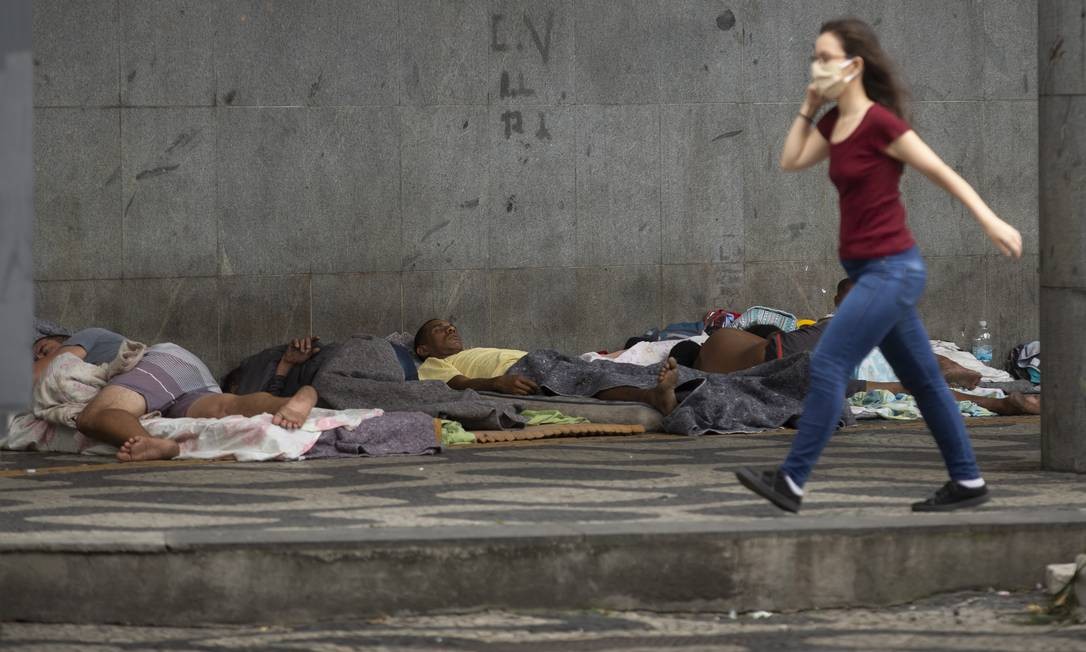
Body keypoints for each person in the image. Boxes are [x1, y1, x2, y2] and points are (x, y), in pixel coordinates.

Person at [734, 18, 1023, 514]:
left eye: (825, 58)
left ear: (854, 66)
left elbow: (939, 170)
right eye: (815, 57)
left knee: (826, 363)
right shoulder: (833, 124)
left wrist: (990, 220)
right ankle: (968, 481)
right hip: (872, 274)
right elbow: (790, 159)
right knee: (927, 382)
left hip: (893, 270)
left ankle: (792, 481)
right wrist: (808, 105)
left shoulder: (880, 124)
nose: (817, 66)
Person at [32, 326, 320, 462]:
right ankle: (292, 400)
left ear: (60, 337)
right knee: (224, 408)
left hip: (162, 362)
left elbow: (40, 374)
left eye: (43, 347)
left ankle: (151, 443)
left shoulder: (87, 336)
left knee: (93, 416)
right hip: (182, 375)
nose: (40, 355)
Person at [413, 319, 681, 415]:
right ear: (423, 349)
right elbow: (455, 384)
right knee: (587, 383)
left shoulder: (470, 352)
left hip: (539, 359)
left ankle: (684, 388)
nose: (450, 328)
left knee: (601, 370)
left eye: (451, 325)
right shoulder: (434, 364)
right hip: (520, 372)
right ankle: (652, 396)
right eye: (439, 329)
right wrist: (497, 384)